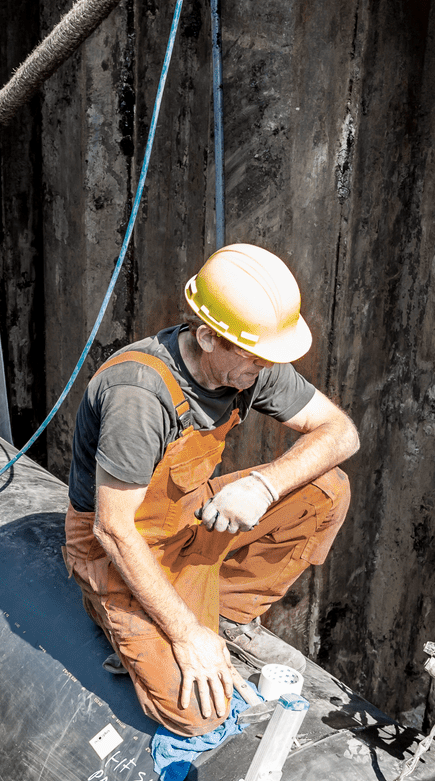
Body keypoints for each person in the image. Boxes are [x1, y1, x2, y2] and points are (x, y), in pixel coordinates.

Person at [61, 245, 359, 736]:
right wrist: (184, 636)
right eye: (256, 359)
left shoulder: (245, 363)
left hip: (188, 517)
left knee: (327, 491)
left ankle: (227, 616)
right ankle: (129, 618)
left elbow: (340, 432)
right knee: (198, 713)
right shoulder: (139, 396)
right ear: (207, 336)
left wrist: (264, 486)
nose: (264, 371)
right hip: (118, 548)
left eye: (269, 359)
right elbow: (113, 530)